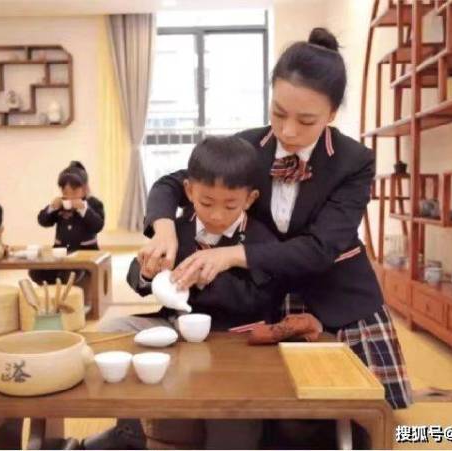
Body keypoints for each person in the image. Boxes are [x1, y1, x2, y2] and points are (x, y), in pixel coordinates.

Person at [140, 27, 413, 447]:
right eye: (278, 112)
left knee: (359, 423)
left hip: (337, 292)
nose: (287, 131)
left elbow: (321, 249)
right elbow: (173, 184)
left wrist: (233, 254)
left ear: (332, 114)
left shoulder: (354, 161)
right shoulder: (249, 146)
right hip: (268, 293)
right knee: (268, 417)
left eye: (306, 121)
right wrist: (162, 228)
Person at [83, 136, 283, 450]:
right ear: (189, 191)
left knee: (232, 432)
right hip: (173, 328)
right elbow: (137, 280)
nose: (217, 215)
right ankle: (129, 430)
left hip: (234, 337)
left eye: (230, 205)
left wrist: (206, 281)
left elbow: (260, 299)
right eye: (206, 203)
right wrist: (147, 272)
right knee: (111, 332)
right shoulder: (176, 229)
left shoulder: (261, 240)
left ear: (249, 199)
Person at [29, 161, 105, 285]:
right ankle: (54, 291)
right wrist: (52, 208)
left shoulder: (94, 203)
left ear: (84, 189)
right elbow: (43, 221)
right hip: (60, 255)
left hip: (84, 255)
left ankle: (65, 289)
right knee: (36, 272)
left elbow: (98, 226)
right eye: (65, 193)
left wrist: (83, 210)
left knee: (70, 274)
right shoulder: (60, 205)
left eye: (74, 193)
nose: (69, 197)